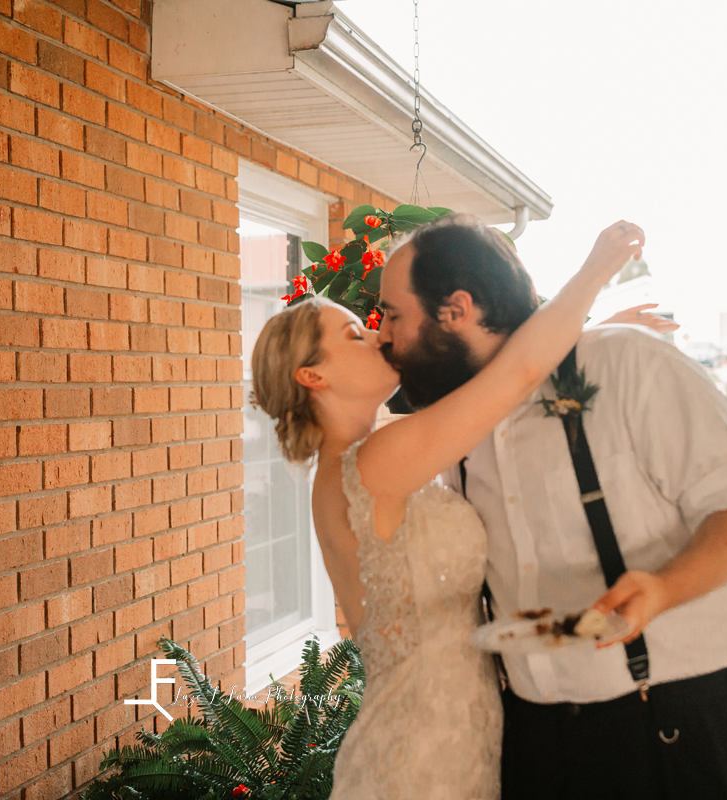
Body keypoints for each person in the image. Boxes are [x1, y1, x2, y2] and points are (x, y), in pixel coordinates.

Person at [376, 214, 727, 800]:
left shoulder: (629, 365)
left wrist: (663, 589)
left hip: (680, 728)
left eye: (393, 314)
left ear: (456, 310)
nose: (383, 336)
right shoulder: (451, 430)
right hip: (536, 744)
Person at [250, 220, 646, 799]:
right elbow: (517, 377)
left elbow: (494, 400)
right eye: (357, 336)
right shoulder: (375, 464)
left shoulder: (365, 454)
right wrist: (596, 272)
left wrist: (595, 335)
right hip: (422, 754)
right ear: (313, 376)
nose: (382, 337)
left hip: (447, 731)